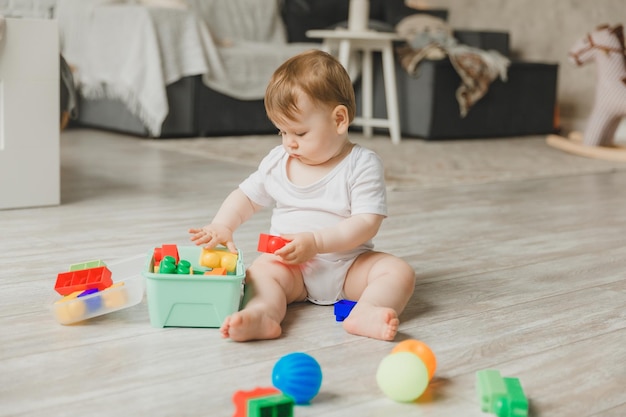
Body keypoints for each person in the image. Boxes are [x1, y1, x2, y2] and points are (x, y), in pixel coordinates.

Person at [189, 49, 415, 342]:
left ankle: (368, 310)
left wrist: (317, 242)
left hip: (348, 266)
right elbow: (246, 196)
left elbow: (367, 222)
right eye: (282, 132)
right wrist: (223, 225)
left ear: (339, 119)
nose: (289, 144)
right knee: (261, 273)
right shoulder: (277, 162)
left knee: (398, 272)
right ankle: (263, 314)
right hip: (290, 266)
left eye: (299, 132)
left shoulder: (361, 164)